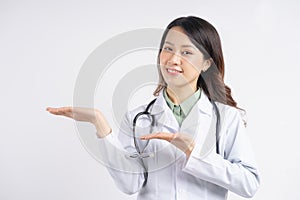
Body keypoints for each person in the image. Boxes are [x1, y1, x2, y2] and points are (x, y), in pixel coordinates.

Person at [47, 16, 260, 199]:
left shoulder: (226, 118)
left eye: (186, 52)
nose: (173, 59)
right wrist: (100, 125)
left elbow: (249, 184)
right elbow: (129, 185)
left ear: (206, 64)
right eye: (168, 49)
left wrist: (192, 153)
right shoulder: (138, 118)